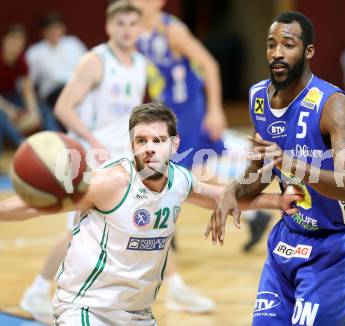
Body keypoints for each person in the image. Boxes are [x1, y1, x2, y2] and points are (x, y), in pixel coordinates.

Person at [0, 102, 300, 325]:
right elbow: (37, 205)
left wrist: (277, 201)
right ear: (132, 145)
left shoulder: (181, 180)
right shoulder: (111, 182)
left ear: (175, 144)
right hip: (87, 309)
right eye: (142, 141)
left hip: (137, 314)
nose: (150, 148)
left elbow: (221, 198)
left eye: (158, 140)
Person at [208, 12, 345, 325]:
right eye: (271, 45)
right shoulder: (259, 98)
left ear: (308, 51)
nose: (277, 53)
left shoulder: (332, 104)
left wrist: (288, 162)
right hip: (289, 236)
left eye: (288, 44)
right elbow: (260, 175)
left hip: (337, 243)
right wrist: (232, 191)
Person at [19, 1, 147, 323]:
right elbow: (63, 107)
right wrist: (93, 142)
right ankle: (40, 290)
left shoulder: (141, 64)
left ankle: (96, 296)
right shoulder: (95, 61)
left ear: (140, 28)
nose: (127, 29)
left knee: (119, 228)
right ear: (108, 26)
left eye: (133, 23)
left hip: (121, 158)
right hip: (91, 157)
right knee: (78, 231)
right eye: (121, 23)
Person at [132, 0, 270, 251]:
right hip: (167, 108)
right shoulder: (137, 31)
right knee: (195, 171)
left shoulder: (172, 30)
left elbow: (209, 65)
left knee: (177, 169)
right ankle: (252, 215)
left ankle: (164, 228)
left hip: (189, 110)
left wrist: (215, 109)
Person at [0, 24, 59, 155]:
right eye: (13, 39)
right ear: (5, 40)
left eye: (20, 41)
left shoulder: (22, 61)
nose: (16, 44)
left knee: (43, 108)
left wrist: (33, 110)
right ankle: (22, 144)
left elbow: (27, 90)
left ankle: (56, 139)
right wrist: (10, 110)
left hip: (13, 96)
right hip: (2, 100)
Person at [26, 12, 86, 109]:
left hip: (78, 87)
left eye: (57, 28)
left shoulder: (73, 43)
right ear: (43, 32)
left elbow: (87, 67)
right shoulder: (35, 52)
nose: (54, 32)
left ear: (63, 29)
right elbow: (27, 81)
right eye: (50, 29)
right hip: (53, 92)